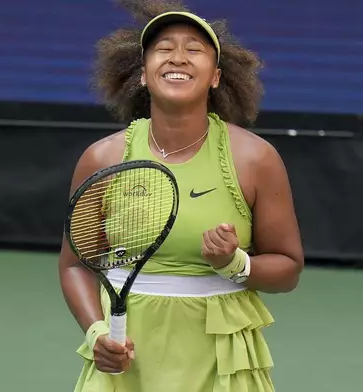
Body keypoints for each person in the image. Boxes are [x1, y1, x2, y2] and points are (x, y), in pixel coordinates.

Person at [58, 1, 304, 391]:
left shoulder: (256, 158)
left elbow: (288, 269)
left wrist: (234, 262)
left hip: (222, 362)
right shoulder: (101, 158)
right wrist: (96, 333)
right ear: (142, 74)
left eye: (194, 50)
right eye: (163, 48)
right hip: (127, 364)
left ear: (217, 77)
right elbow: (74, 264)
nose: (178, 57)